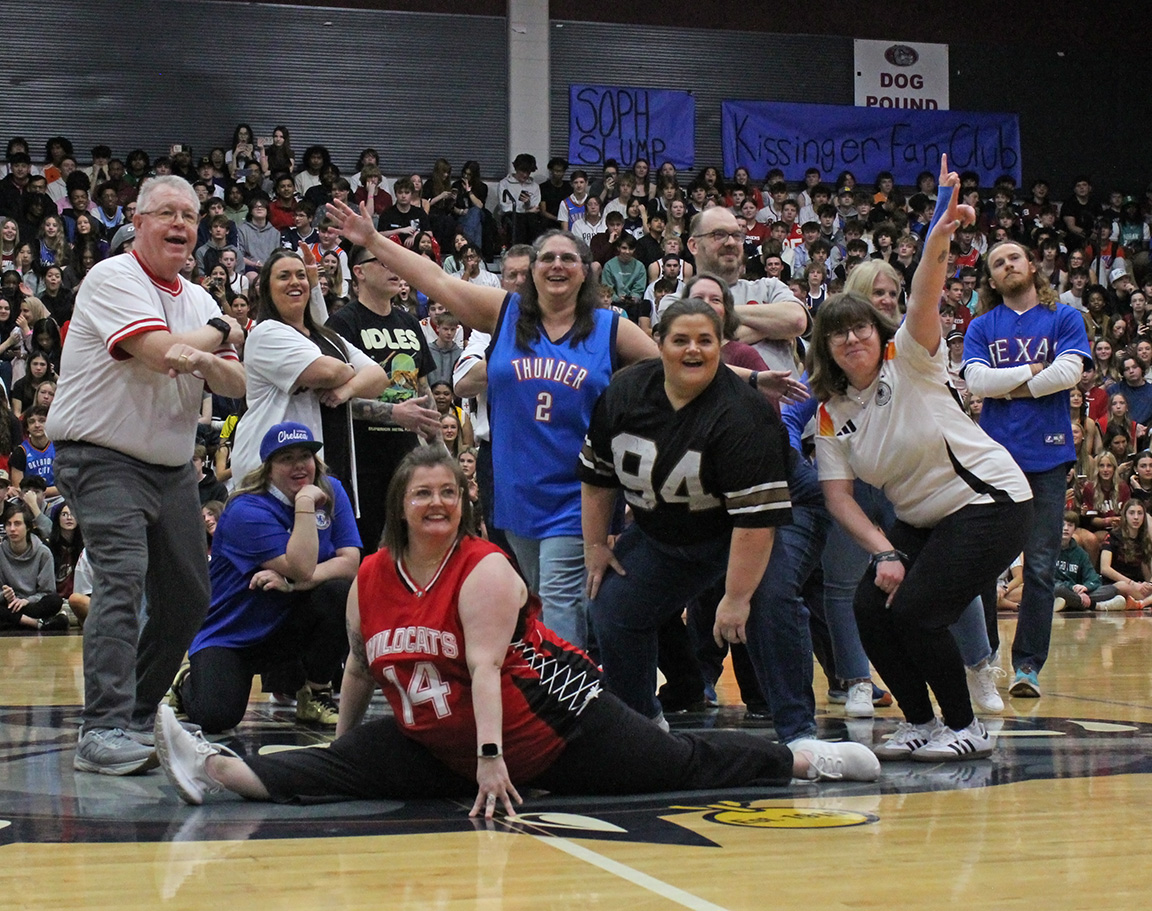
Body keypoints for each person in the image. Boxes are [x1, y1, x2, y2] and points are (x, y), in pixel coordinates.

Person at [153, 447, 879, 808]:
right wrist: (346, 748)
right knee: (318, 772)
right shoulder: (370, 575)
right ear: (400, 505)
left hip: (555, 721)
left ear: (463, 503)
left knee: (679, 766)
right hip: (437, 739)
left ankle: (804, 759)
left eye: (448, 493)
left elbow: (488, 669)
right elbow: (357, 668)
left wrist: (493, 761)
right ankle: (213, 769)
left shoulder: (486, 566)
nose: (436, 503)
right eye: (422, 494)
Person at [327, 200, 657, 648]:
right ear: (531, 270)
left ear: (585, 271)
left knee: (560, 599)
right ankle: (592, 688)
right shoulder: (504, 314)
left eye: (568, 258)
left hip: (580, 491)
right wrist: (372, 241)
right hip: (516, 488)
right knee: (541, 596)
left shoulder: (608, 327)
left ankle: (567, 709)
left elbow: (676, 366)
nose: (557, 265)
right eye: (547, 258)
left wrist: (749, 379)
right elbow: (438, 280)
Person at [814, 158, 1033, 761]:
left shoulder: (908, 356)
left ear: (877, 331)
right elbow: (838, 497)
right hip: (919, 520)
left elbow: (924, 297)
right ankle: (920, 721)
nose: (852, 339)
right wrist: (883, 549)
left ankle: (964, 726)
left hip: (987, 501)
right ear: (827, 348)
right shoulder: (831, 410)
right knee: (869, 607)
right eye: (838, 334)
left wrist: (941, 230)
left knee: (917, 611)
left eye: (861, 328)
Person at [46, 174, 247, 775]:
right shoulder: (112, 278)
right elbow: (162, 354)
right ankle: (100, 729)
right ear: (138, 222)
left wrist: (205, 351)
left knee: (189, 596)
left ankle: (133, 714)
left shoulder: (200, 299)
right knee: (121, 579)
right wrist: (218, 336)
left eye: (189, 214)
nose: (181, 225)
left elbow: (235, 384)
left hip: (169, 465)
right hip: (100, 455)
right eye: (167, 213)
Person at [963, 231, 1093, 699]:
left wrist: (1009, 386)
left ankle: (1028, 667)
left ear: (1032, 265)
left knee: (1039, 567)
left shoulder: (1064, 316)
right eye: (997, 263)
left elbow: (1070, 372)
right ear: (992, 280)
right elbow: (975, 379)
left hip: (1048, 456)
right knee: (984, 567)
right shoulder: (982, 326)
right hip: (994, 459)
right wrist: (1036, 373)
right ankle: (985, 657)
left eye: (1014, 257)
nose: (1007, 266)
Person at [170, 423, 361, 732]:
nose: (299, 465)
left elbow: (350, 562)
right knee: (217, 716)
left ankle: (315, 692)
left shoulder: (332, 490)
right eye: (286, 458)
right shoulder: (245, 510)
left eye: (305, 456)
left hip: (286, 627)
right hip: (233, 634)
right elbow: (301, 566)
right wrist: (303, 504)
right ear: (269, 468)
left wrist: (294, 584)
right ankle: (187, 683)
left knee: (340, 592)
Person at [228, 248, 387, 486]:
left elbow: (379, 377)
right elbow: (330, 372)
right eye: (284, 276)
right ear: (266, 289)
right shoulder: (266, 333)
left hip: (328, 465)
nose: (295, 282)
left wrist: (345, 391)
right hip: (268, 473)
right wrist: (349, 372)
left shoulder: (327, 336)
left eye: (301, 275)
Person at [326, 245, 443, 552]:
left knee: (411, 548)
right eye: (382, 261)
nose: (394, 268)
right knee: (366, 553)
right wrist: (394, 413)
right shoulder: (342, 324)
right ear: (359, 272)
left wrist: (443, 455)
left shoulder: (408, 323)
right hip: (360, 461)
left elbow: (424, 392)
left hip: (406, 458)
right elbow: (333, 400)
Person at [0, 499, 69, 632]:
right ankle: (37, 624)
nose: (12, 529)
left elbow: (48, 591)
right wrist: (5, 595)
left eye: (17, 524)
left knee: (55, 601)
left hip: (33, 604)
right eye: (9, 524)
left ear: (28, 528)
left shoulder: (43, 552)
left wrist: (27, 600)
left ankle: (15, 622)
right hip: (9, 604)